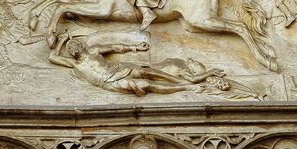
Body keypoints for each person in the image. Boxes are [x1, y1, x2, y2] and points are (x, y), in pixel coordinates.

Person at [47, 33, 223, 96]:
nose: (72, 50)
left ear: (81, 45)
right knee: (146, 85)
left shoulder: (94, 50)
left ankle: (187, 80)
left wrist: (136, 47)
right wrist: (62, 41)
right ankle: (185, 87)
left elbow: (115, 47)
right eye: (70, 49)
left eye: (73, 45)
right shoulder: (74, 64)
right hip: (110, 83)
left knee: (145, 71)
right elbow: (53, 57)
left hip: (117, 69)